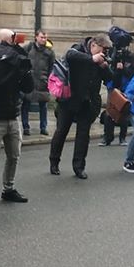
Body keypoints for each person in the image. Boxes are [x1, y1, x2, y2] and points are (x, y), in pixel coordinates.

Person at [0, 29, 33, 208]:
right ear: (5, 41)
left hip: (13, 115)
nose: (16, 42)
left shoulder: (16, 61)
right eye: (13, 39)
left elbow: (28, 87)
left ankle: (8, 189)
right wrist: (7, 72)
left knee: (14, 156)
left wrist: (23, 71)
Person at [49, 33, 113, 179]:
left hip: (87, 102)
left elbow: (110, 78)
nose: (104, 53)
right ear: (94, 45)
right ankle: (54, 161)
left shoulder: (102, 58)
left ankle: (79, 167)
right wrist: (92, 59)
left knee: (83, 135)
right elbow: (70, 55)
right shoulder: (78, 49)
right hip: (69, 100)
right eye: (102, 50)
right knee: (61, 131)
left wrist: (104, 67)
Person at [101, 26, 134, 146]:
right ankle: (107, 137)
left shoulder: (131, 56)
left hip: (125, 86)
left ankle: (122, 138)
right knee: (110, 112)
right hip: (113, 85)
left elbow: (133, 72)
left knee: (124, 112)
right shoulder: (111, 53)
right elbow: (107, 69)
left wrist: (123, 69)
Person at [23, 30, 55, 136]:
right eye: (42, 37)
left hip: (42, 81)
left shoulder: (49, 52)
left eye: (45, 37)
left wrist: (48, 79)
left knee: (43, 105)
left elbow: (52, 67)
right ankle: (25, 127)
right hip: (29, 80)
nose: (44, 39)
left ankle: (43, 127)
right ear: (36, 37)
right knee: (26, 104)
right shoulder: (28, 48)